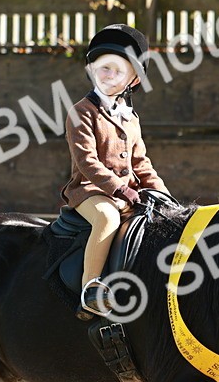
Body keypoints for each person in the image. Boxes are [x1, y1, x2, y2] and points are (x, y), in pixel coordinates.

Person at [61, 24, 170, 320]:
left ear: (132, 80)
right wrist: (120, 190)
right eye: (103, 68)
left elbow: (142, 163)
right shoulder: (81, 112)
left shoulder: (130, 117)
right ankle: (91, 289)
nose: (109, 76)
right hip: (89, 192)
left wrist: (163, 196)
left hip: (129, 194)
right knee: (108, 217)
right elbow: (87, 162)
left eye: (117, 71)